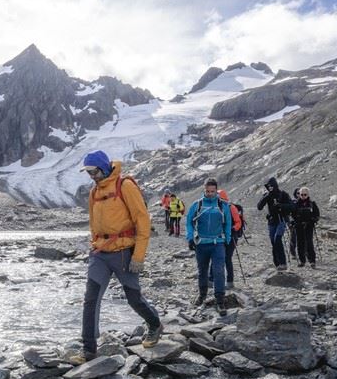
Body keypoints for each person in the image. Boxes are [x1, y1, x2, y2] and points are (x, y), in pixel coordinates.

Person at [69, 150, 163, 365]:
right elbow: (94, 222)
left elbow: (142, 221)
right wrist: (95, 246)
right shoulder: (94, 192)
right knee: (91, 300)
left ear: (103, 167)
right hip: (100, 253)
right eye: (88, 172)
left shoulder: (125, 186)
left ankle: (155, 324)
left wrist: (138, 256)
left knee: (134, 299)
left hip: (123, 253)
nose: (91, 175)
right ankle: (89, 350)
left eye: (93, 171)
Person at [185, 178, 233, 316]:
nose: (210, 194)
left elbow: (228, 223)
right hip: (201, 244)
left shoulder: (223, 205)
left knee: (218, 271)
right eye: (207, 191)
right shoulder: (197, 205)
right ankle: (202, 295)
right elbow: (189, 222)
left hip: (218, 243)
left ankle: (220, 300)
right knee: (202, 272)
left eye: (212, 191)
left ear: (216, 191)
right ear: (204, 190)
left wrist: (228, 238)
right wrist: (190, 238)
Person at [256, 176, 292, 269]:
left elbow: (292, 206)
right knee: (273, 242)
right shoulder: (267, 195)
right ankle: (277, 264)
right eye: (268, 186)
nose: (270, 188)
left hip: (281, 220)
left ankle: (283, 263)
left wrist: (281, 206)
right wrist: (266, 196)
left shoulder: (283, 194)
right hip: (272, 221)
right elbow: (259, 207)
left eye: (271, 186)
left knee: (277, 239)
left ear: (275, 185)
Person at [218, 188, 243, 288]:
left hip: (232, 236)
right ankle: (219, 280)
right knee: (219, 258)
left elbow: (238, 222)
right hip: (220, 236)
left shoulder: (231, 207)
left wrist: (233, 228)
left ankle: (230, 281)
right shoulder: (215, 207)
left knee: (227, 258)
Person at [292, 186, 321, 267]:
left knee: (309, 242)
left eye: (305, 194)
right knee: (300, 243)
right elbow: (292, 214)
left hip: (309, 225)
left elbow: (317, 214)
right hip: (299, 226)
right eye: (301, 194)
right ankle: (302, 261)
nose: (303, 196)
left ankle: (312, 261)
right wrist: (295, 220)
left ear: (308, 194)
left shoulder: (312, 203)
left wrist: (314, 219)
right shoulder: (296, 204)